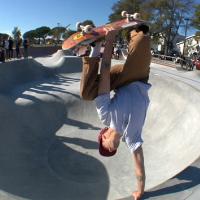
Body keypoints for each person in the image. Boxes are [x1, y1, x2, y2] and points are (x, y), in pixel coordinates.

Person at [80, 25, 151, 200]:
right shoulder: (132, 139)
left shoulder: (106, 117)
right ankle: (135, 28)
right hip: (139, 77)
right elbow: (139, 167)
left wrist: (109, 42)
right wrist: (140, 191)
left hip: (121, 79)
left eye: (106, 149)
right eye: (110, 152)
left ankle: (95, 47)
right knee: (142, 39)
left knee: (87, 93)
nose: (111, 151)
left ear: (103, 136)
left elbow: (104, 74)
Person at [80, 23, 151, 101]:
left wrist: (98, 46)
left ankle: (135, 34)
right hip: (136, 82)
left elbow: (87, 93)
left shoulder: (122, 72)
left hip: (123, 84)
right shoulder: (136, 71)